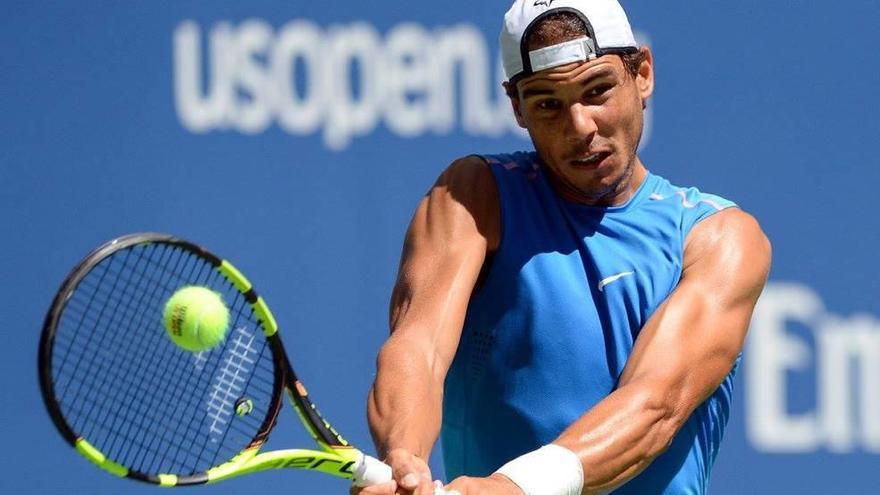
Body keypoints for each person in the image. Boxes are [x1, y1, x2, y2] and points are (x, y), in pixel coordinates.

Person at [355, 0, 771, 493]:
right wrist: (405, 460)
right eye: (548, 104)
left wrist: (510, 488)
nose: (580, 127)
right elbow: (417, 346)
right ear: (516, 107)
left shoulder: (719, 237)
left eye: (597, 91)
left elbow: (654, 404)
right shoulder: (473, 197)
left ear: (642, 74)